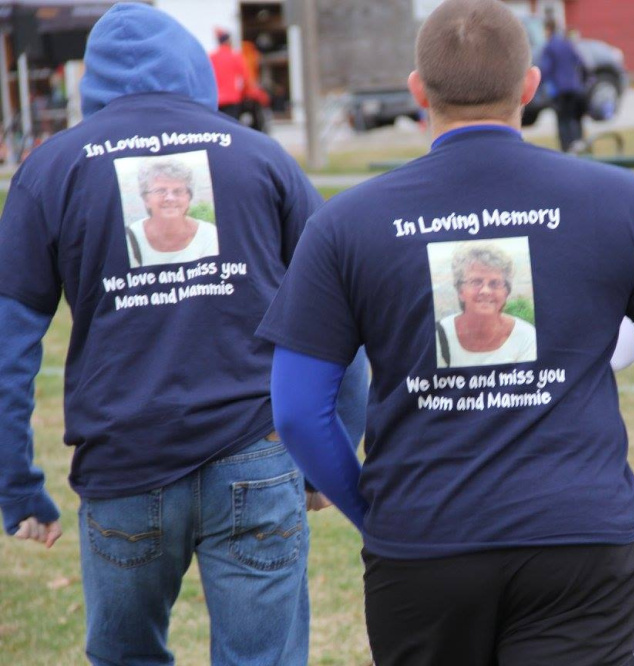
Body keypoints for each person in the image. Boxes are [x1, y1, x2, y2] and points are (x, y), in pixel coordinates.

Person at [256, 1, 634, 664]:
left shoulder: (345, 223)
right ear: (530, 87)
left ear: (418, 92)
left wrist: (378, 514)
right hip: (580, 541)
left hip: (422, 547)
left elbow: (299, 411)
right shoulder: (622, 200)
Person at [0, 4, 368, 665]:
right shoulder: (262, 157)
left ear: (93, 82)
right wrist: (325, 457)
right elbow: (345, 321)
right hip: (254, 457)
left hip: (122, 466)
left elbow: (8, 351)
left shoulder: (50, 168)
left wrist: (18, 486)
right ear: (194, 69)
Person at [436, 242, 537, 367]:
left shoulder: (526, 337)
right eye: (476, 282)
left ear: (506, 292)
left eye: (495, 283)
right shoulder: (438, 337)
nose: (485, 291)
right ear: (460, 291)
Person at [126, 160, 219, 267]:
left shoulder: (209, 235)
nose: (170, 198)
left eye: (178, 191)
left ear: (189, 197)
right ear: (146, 199)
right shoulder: (129, 239)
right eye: (160, 191)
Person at [540, 17, 587, 152]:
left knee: (562, 120)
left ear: (548, 30)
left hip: (559, 90)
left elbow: (546, 69)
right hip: (574, 87)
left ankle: (566, 148)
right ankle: (579, 144)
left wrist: (539, 85)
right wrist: (582, 81)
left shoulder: (549, 47)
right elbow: (581, 62)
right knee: (575, 118)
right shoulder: (567, 43)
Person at [209, 27, 249, 120]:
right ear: (228, 41)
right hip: (232, 98)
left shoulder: (212, 57)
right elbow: (245, 78)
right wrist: (243, 94)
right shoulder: (235, 56)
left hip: (216, 100)